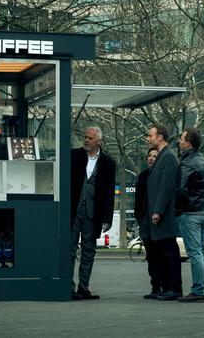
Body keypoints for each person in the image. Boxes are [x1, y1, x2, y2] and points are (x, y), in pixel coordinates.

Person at [69, 126, 116, 300]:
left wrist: (107, 218)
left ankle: (84, 287)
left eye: (90, 138)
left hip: (93, 213)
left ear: (99, 141)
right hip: (73, 211)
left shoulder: (108, 163)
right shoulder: (73, 155)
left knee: (89, 251)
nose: (86, 140)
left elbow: (109, 193)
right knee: (70, 249)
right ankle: (69, 287)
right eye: (85, 137)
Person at [174, 127, 204, 303]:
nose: (179, 142)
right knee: (202, 252)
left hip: (190, 213)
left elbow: (180, 189)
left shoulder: (187, 163)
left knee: (195, 253)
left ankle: (198, 290)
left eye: (181, 139)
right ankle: (200, 287)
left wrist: (177, 209)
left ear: (188, 144)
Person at [145, 123, 182, 301]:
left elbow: (166, 187)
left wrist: (158, 211)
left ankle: (174, 288)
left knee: (169, 252)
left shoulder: (168, 157)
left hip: (164, 216)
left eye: (150, 135)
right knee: (165, 252)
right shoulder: (163, 156)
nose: (148, 138)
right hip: (161, 215)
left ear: (160, 137)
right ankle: (167, 287)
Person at [135, 147, 161, 299]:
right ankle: (155, 286)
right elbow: (138, 198)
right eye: (149, 156)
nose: (151, 158)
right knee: (151, 255)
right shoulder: (143, 175)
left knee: (159, 254)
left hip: (157, 221)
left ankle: (162, 285)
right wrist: (139, 217)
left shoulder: (160, 175)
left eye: (154, 156)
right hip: (145, 220)